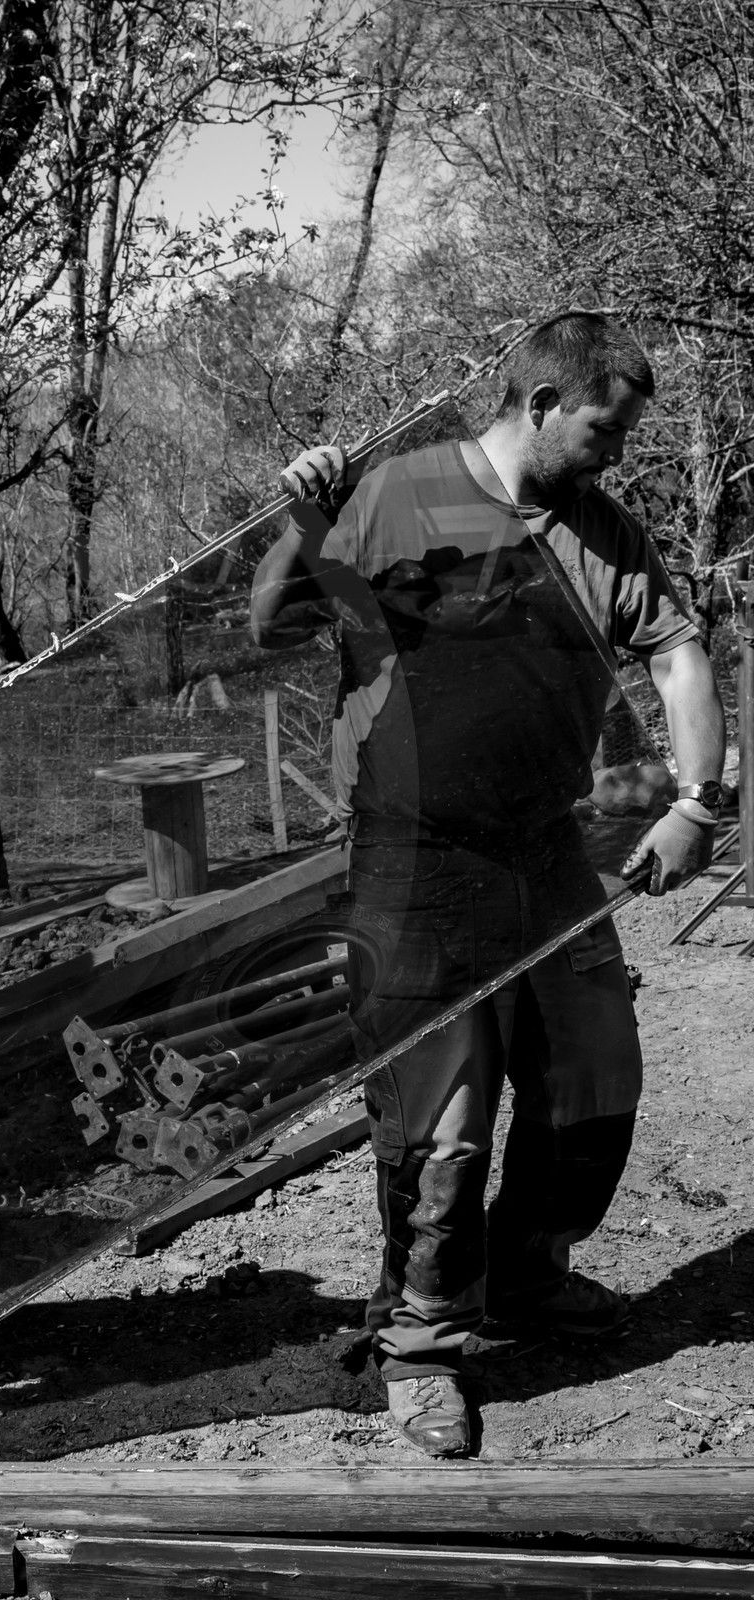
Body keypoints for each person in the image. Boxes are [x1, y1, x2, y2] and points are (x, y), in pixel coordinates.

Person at [250, 313, 726, 1458]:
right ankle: (420, 1345)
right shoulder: (399, 497)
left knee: (590, 1082)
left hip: (550, 852)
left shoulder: (598, 528)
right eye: (602, 431)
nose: (615, 450)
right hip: (415, 864)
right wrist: (301, 524)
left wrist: (697, 802)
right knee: (440, 1124)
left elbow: (671, 651)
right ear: (537, 406)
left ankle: (525, 1274)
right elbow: (272, 627)